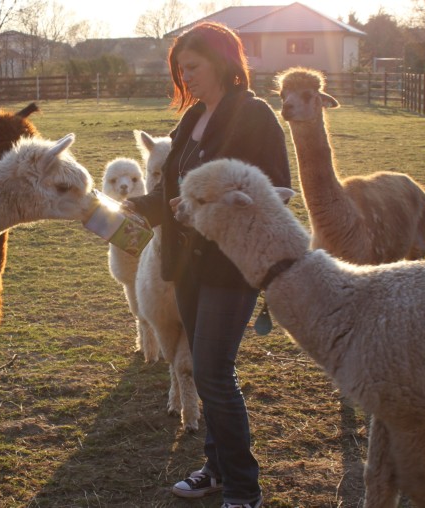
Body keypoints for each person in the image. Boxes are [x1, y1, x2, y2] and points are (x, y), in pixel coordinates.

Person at [124, 21, 291, 508]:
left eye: (192, 67)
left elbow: (275, 191)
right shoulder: (191, 120)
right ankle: (216, 469)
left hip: (231, 265)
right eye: (180, 69)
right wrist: (129, 210)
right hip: (187, 266)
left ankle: (243, 487)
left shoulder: (255, 117)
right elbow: (169, 195)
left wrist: (204, 212)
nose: (186, 77)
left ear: (221, 61)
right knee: (205, 368)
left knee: (214, 372)